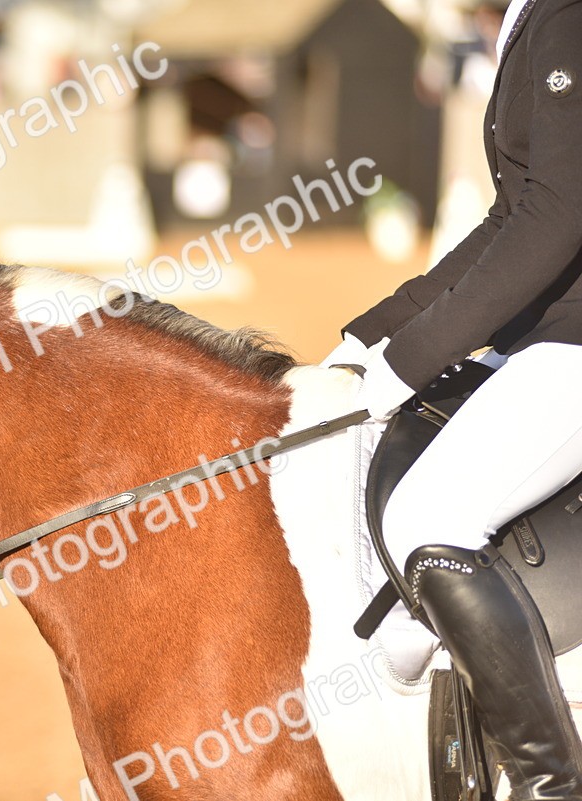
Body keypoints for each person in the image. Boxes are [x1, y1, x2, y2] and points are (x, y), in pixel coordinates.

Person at [321, 0, 582, 797]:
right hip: (546, 334)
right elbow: (507, 215)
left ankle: (552, 784)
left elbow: (559, 214)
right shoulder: (530, 21)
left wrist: (414, 357)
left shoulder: (567, 16)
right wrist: (374, 334)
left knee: (426, 518)